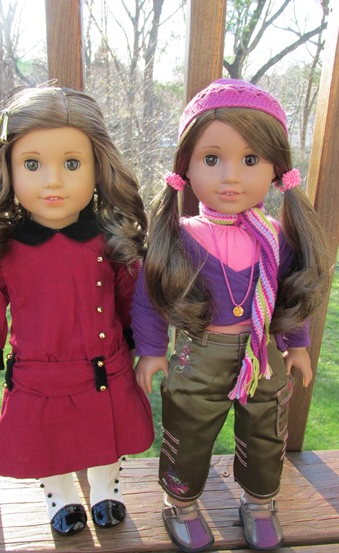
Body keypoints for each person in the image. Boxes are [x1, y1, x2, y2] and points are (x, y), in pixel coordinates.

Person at [132, 79, 330, 552]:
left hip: (264, 354)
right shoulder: (180, 237)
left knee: (267, 430)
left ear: (277, 168)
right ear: (185, 167)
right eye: (211, 159)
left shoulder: (276, 236)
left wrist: (298, 345)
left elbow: (290, 294)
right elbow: (149, 298)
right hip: (201, 353)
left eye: (251, 159)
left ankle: (260, 501)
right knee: (188, 427)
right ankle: (180, 502)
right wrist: (152, 351)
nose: (231, 177)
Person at [0, 86, 154, 536]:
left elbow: (133, 299)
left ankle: (105, 490)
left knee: (108, 435)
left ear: (98, 168)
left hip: (104, 367)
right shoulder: (4, 248)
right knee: (47, 441)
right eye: (32, 165)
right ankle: (61, 498)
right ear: (7, 170)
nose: (53, 181)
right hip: (39, 373)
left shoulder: (109, 240)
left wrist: (148, 348)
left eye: (71, 164)